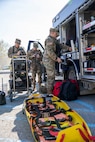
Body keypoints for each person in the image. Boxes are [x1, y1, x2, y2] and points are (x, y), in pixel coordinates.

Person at [43, 28, 72, 94]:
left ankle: (49, 90)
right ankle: (49, 93)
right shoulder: (49, 40)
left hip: (50, 60)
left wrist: (68, 48)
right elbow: (49, 52)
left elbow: (60, 45)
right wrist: (56, 58)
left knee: (51, 76)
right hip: (48, 60)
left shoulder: (54, 40)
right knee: (51, 76)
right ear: (52, 32)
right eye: (56, 33)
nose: (57, 35)